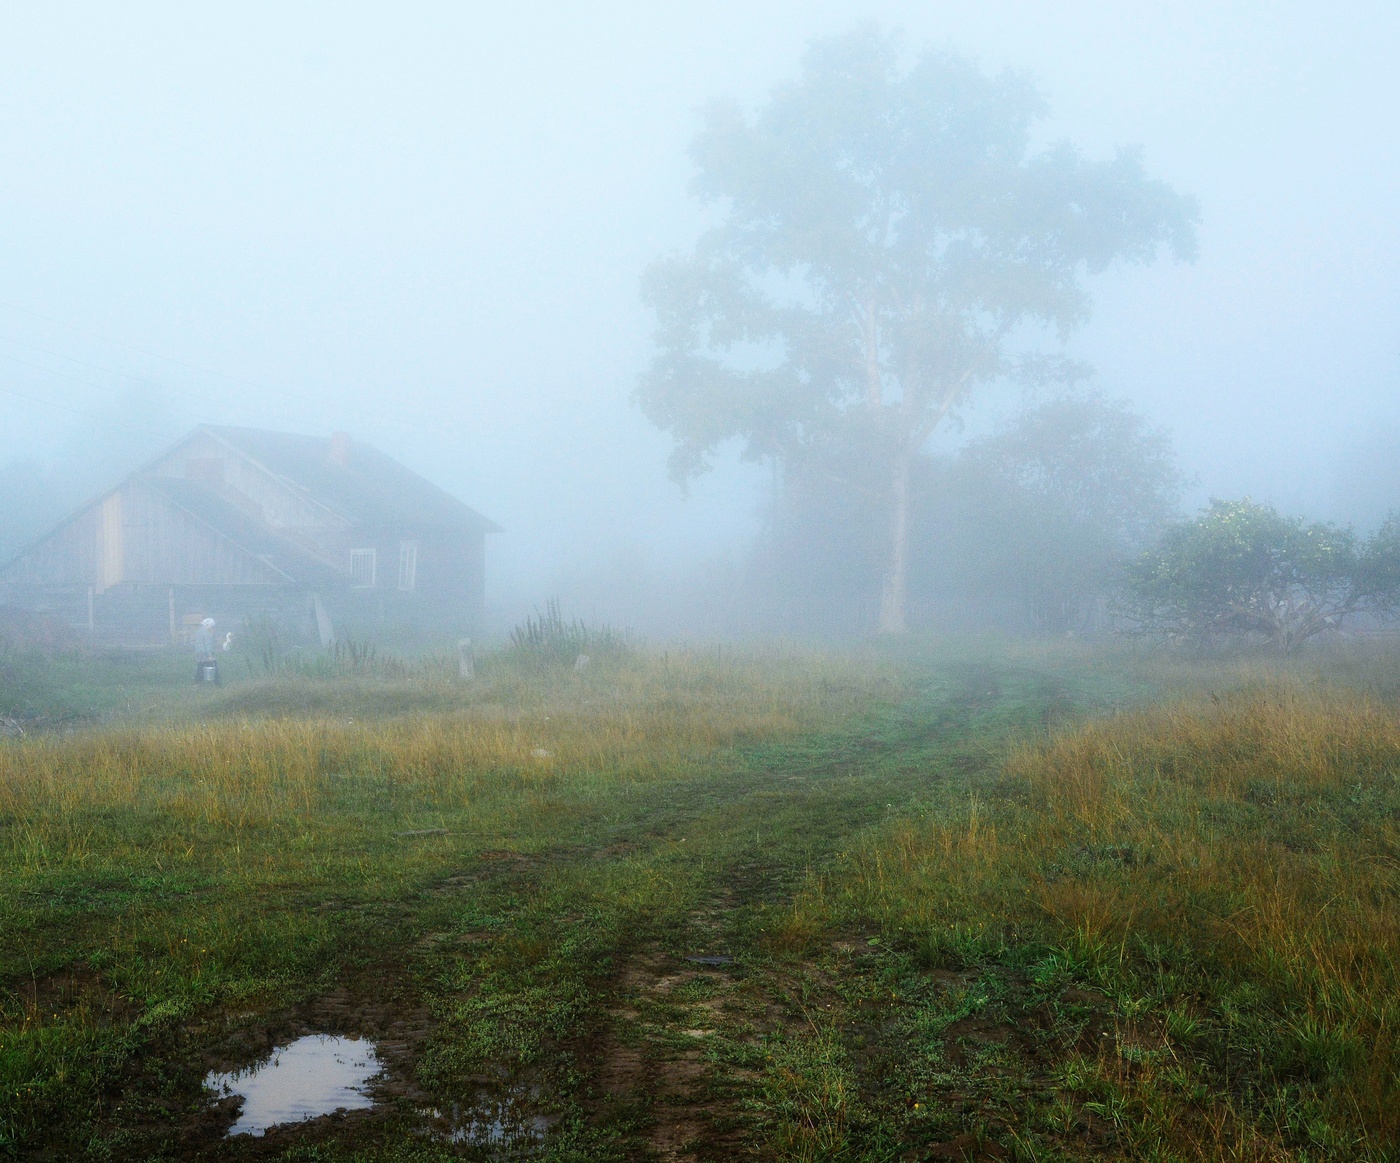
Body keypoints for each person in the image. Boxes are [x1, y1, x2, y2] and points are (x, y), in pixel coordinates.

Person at [193, 617, 219, 684]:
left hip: (199, 653)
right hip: (205, 654)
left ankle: (197, 682)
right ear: (208, 625)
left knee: (200, 667)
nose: (212, 628)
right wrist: (210, 655)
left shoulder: (199, 631)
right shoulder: (207, 634)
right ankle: (217, 682)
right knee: (214, 666)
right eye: (212, 626)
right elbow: (208, 645)